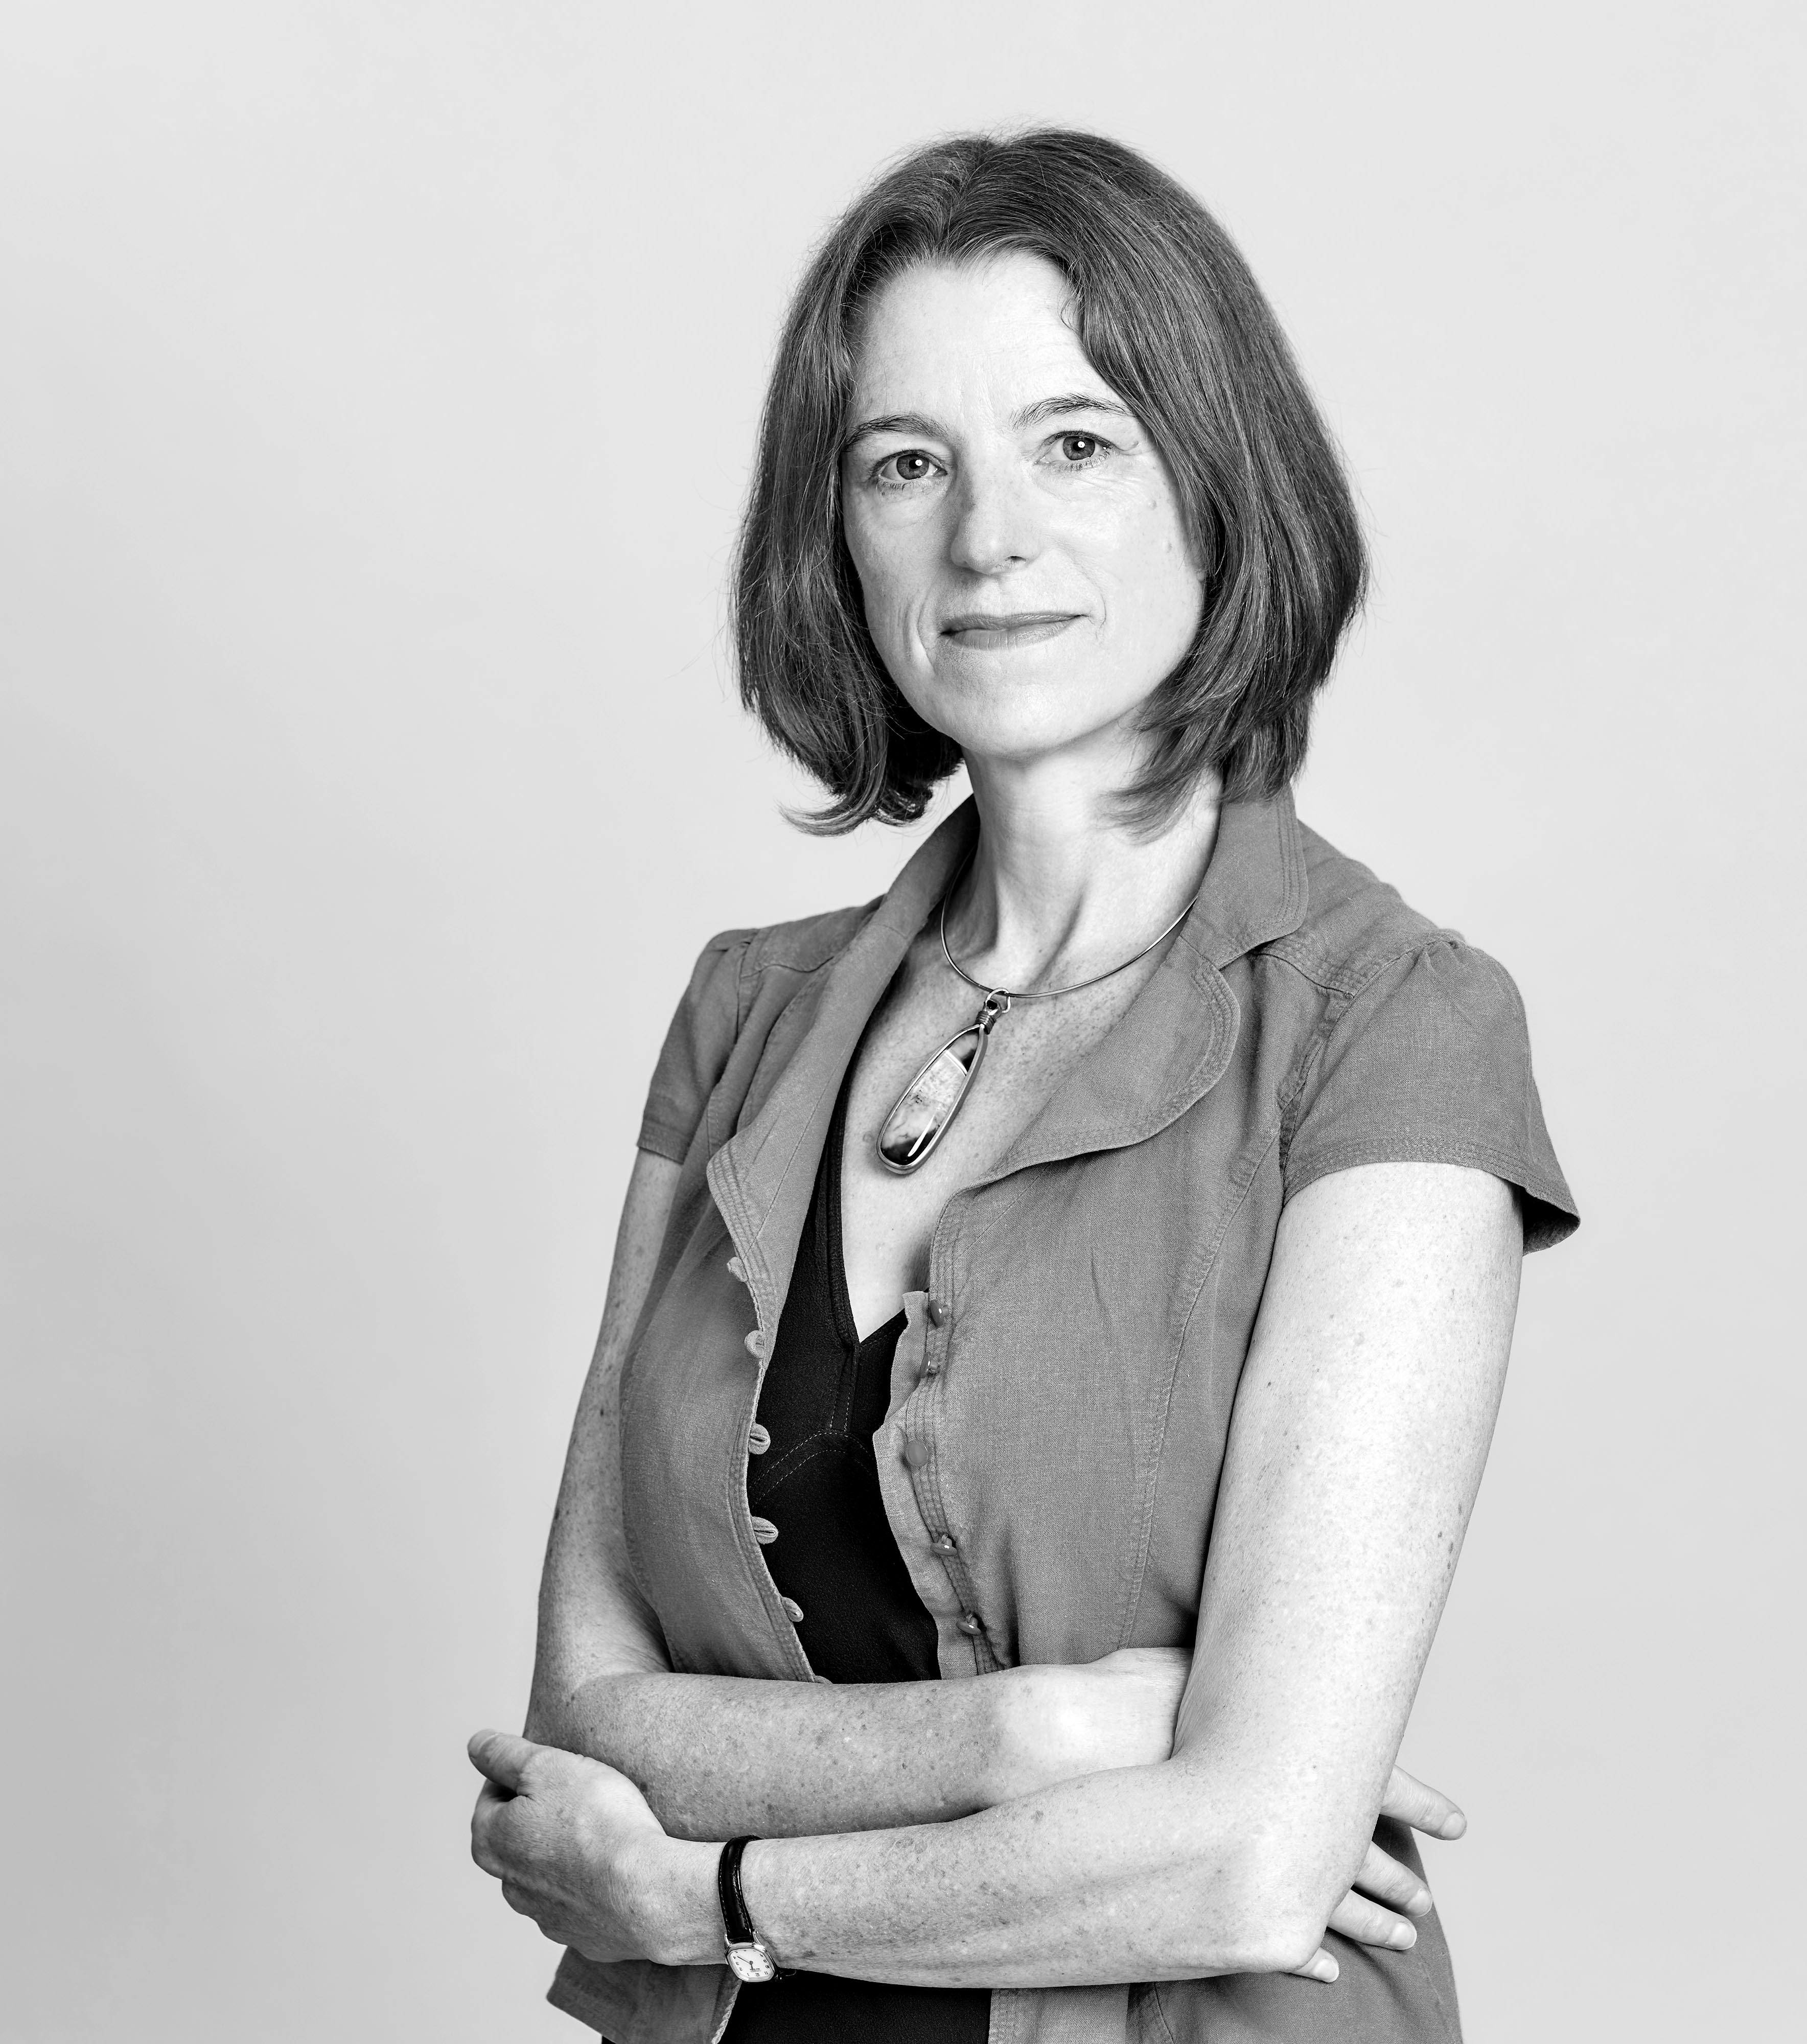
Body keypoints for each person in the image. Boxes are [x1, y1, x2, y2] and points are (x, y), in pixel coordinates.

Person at [467, 128, 1577, 2044]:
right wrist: (1058, 1732)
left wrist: (703, 1887)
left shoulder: (1396, 1028)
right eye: (909, 465)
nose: (988, 538)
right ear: (841, 539)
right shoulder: (745, 1017)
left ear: (1219, 489)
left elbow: (1244, 1858)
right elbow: (587, 1712)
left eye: (1076, 442)